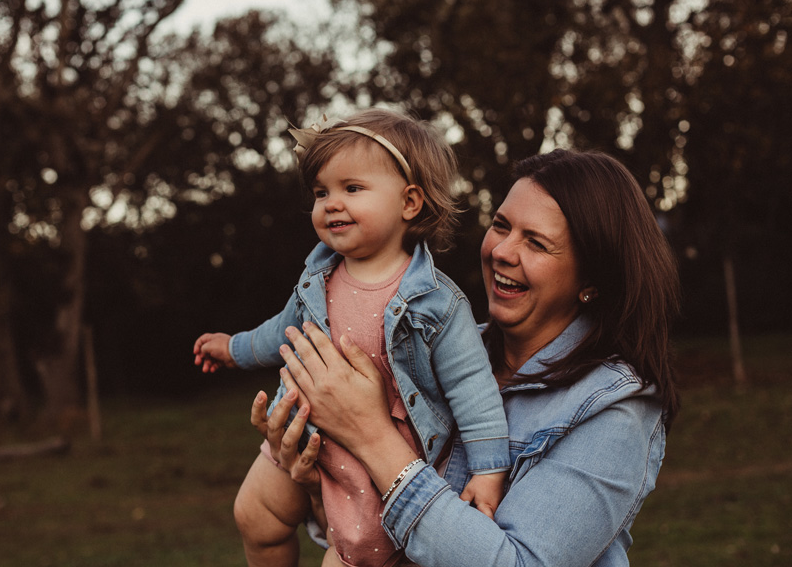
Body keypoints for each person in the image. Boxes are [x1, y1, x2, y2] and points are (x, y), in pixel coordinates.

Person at [257, 149, 681, 566]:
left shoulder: (614, 408)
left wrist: (371, 437)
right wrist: (316, 479)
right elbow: (367, 538)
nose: (502, 251)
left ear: (590, 279)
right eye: (501, 225)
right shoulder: (425, 353)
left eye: (535, 242)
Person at [193, 109, 511, 566]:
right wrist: (233, 348)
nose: (330, 203)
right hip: (301, 435)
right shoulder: (317, 277)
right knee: (254, 515)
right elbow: (280, 333)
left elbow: (474, 392)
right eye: (322, 192)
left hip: (372, 463)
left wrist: (488, 470)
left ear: (409, 202)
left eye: (352, 188)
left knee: (351, 559)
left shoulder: (437, 303)